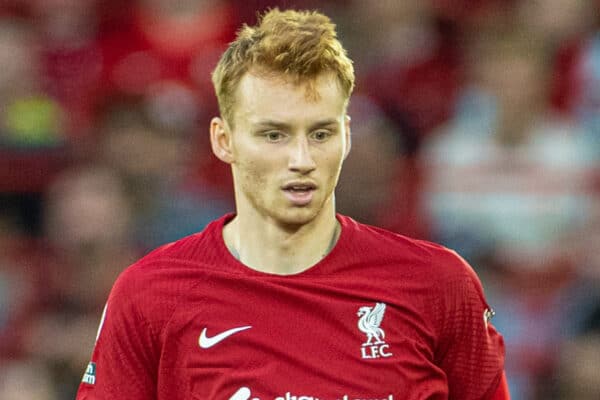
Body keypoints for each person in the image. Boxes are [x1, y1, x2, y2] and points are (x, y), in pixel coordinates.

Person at [76, 8, 509, 400]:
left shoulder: (439, 284)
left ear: (347, 136)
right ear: (223, 140)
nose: (301, 160)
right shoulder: (151, 295)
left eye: (320, 134)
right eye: (273, 135)